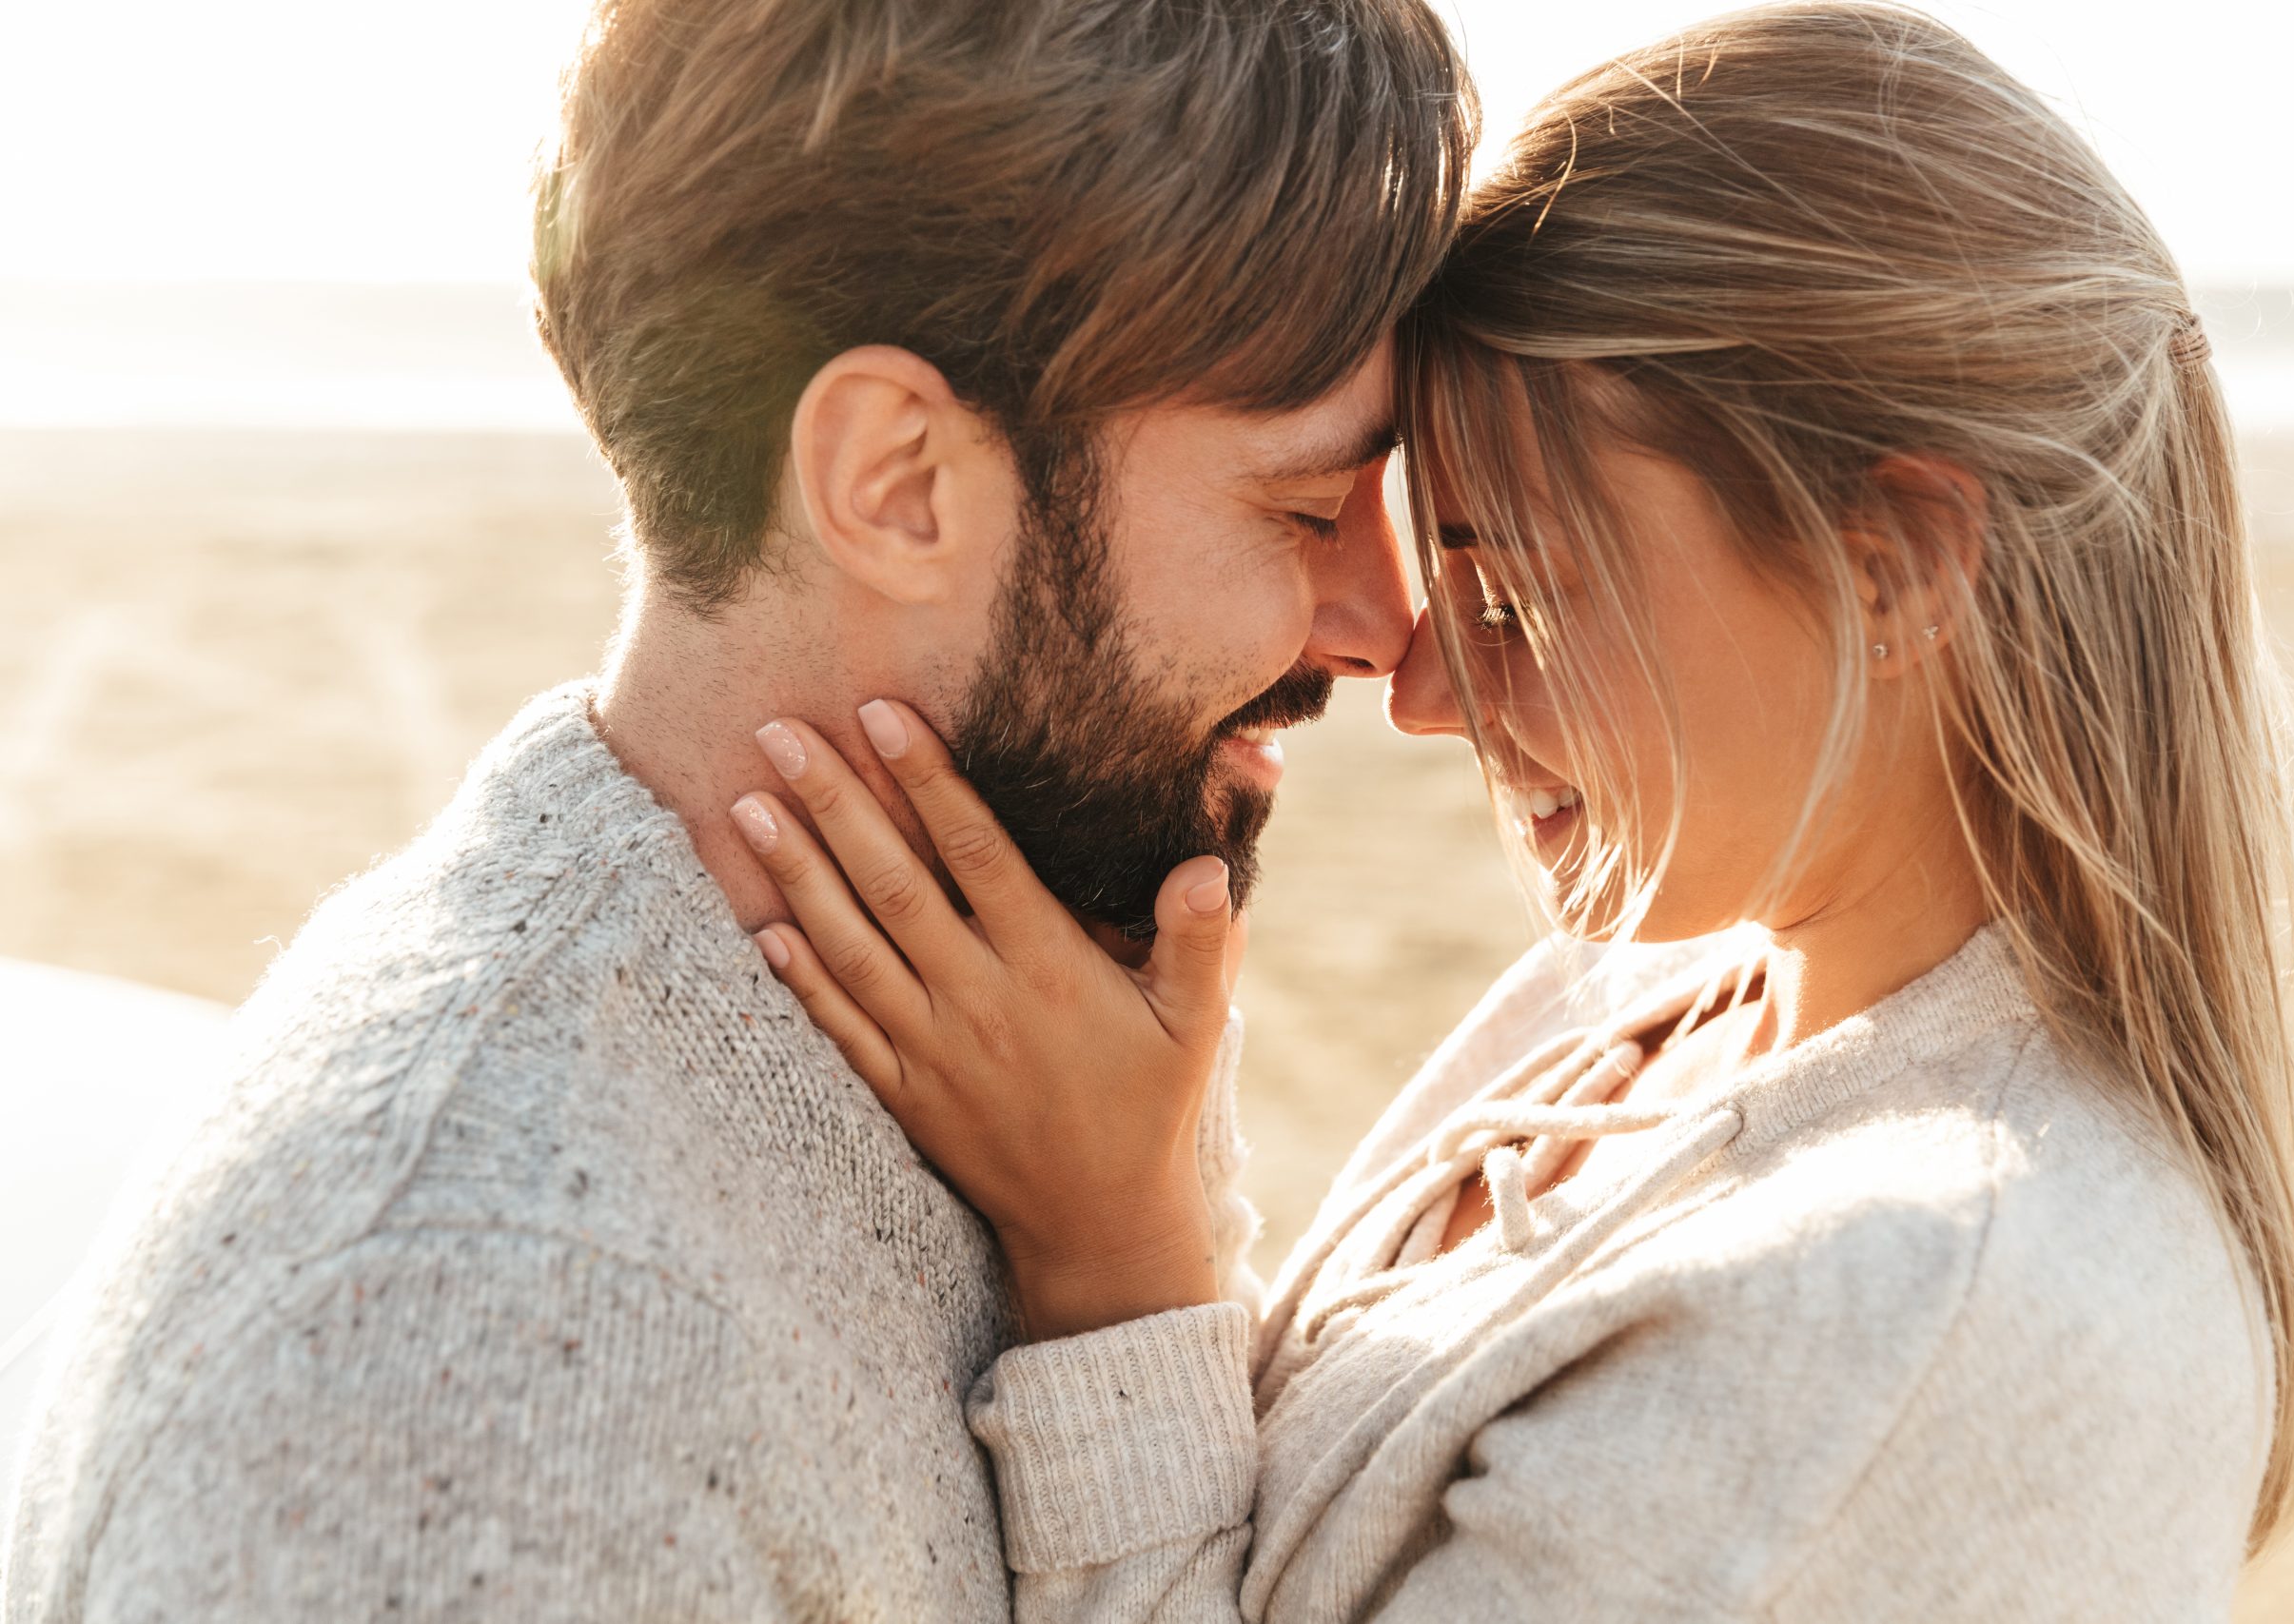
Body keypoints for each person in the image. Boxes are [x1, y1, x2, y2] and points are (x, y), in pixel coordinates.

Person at [739, 4, 2294, 1617]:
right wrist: (1151, 1154)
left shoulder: (1922, 1311)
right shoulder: (1651, 995)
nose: (1425, 692)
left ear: (1894, 566)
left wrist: (1111, 1263)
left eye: (1524, 593)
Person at [0, 2, 1472, 1619]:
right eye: (1312, 505)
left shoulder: (1044, 1028)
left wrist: (1131, 1267)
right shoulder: (477, 1373)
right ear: (898, 480)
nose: (1386, 631)